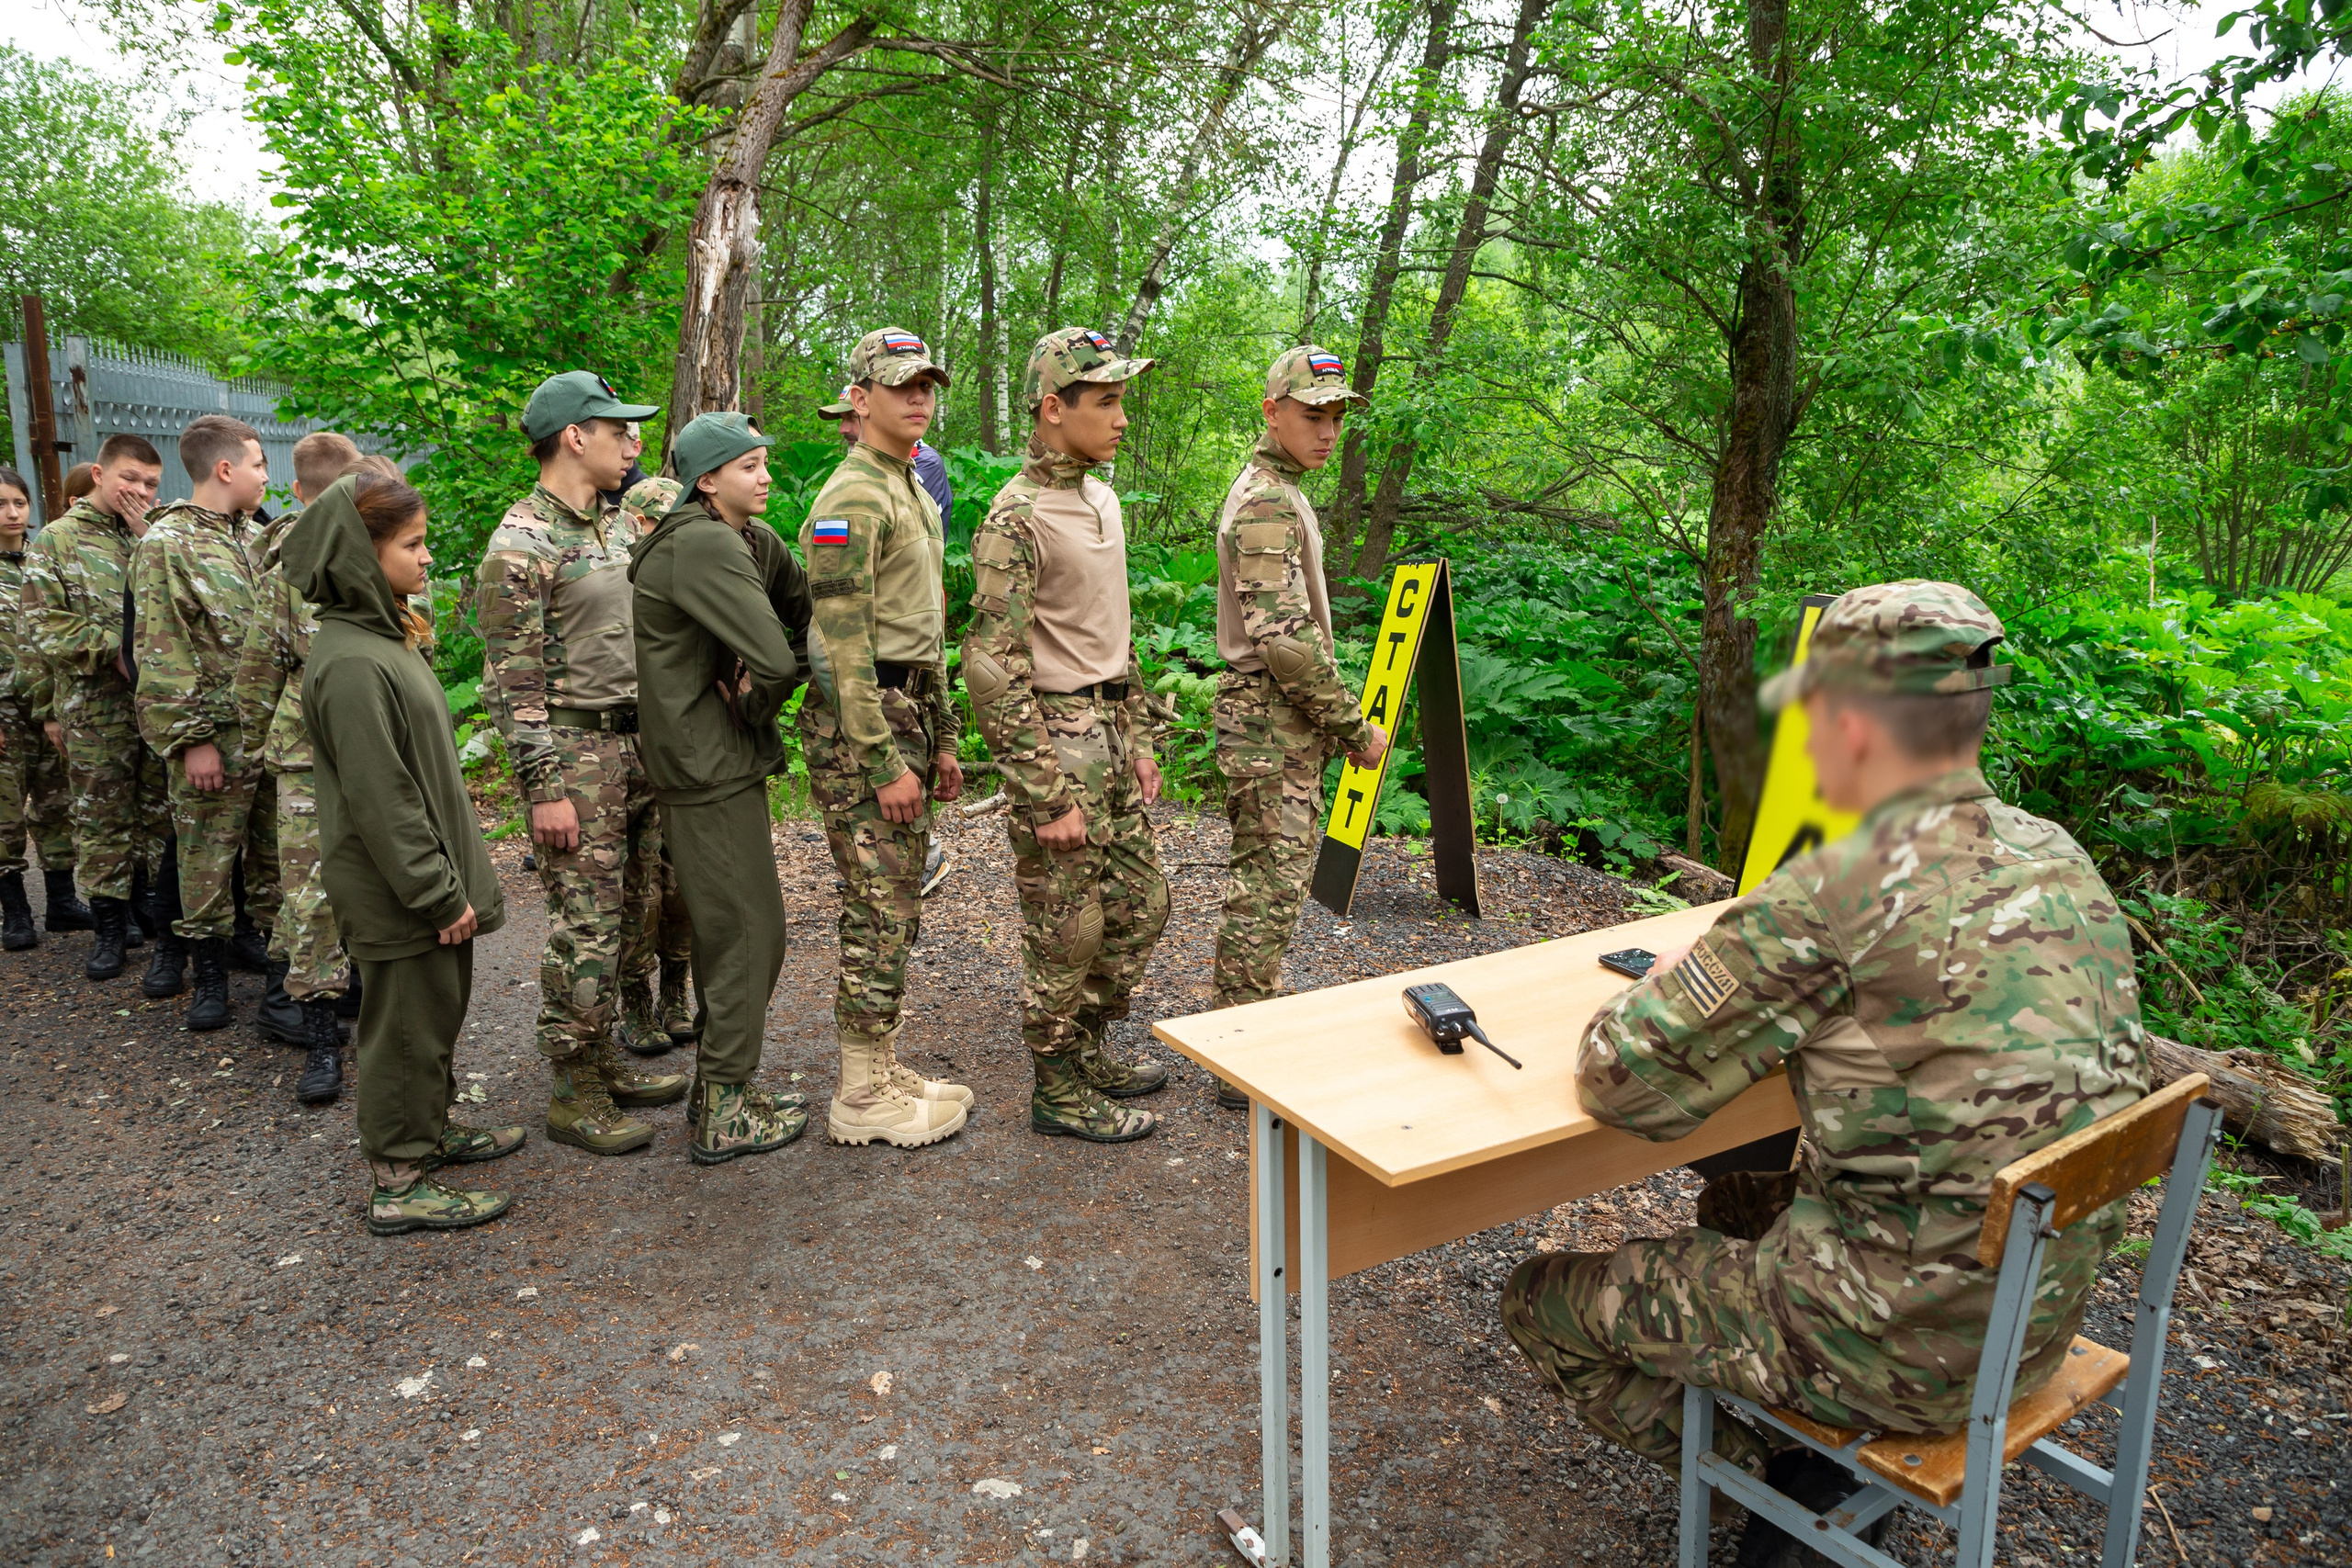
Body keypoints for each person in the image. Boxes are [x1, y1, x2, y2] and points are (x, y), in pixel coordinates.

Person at [1498, 581, 2151, 1563]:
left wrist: (1675, 984)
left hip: (1898, 1351)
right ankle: (1807, 1469)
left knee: (1538, 1296)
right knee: (1732, 1202)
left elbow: (1624, 1086)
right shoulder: (2058, 857)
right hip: (2033, 1318)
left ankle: (1764, 1494)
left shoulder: (1832, 892)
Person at [290, 467, 520, 1235]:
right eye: (412, 545)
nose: (426, 559)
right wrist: (433, 888)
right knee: (404, 1028)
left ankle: (431, 1131)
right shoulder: (353, 658)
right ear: (363, 552)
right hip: (399, 889)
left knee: (434, 1012)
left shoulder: (384, 636)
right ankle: (398, 1176)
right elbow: (381, 796)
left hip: (424, 878)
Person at [963, 328, 1169, 1143]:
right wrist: (1043, 790)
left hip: (1112, 731)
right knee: (1067, 923)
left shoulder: (1101, 497)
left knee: (1143, 902)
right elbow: (989, 667)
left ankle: (1084, 1046)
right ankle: (1055, 1083)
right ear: (1054, 409)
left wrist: (1143, 733)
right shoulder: (1014, 517)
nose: (1122, 419)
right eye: (1107, 401)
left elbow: (1113, 629)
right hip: (1058, 737)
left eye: (1123, 400)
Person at [477, 371, 690, 1157]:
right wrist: (544, 789)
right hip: (574, 755)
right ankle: (574, 1088)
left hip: (637, 748)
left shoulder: (616, 526)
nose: (633, 442)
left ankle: (605, 1060)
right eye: (619, 429)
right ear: (575, 436)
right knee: (586, 929)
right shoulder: (521, 542)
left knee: (636, 912)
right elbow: (513, 680)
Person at [799, 330, 971, 1149]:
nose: (918, 398)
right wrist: (879, 758)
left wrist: (941, 736)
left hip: (904, 710)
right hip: (861, 725)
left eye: (927, 385)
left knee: (897, 902)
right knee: (877, 904)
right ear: (859, 399)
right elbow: (841, 647)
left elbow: (922, 629)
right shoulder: (849, 499)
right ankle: (859, 1095)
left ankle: (882, 1062)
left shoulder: (908, 488)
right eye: (900, 386)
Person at [628, 412, 813, 1162]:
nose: (766, 477)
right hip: (703, 766)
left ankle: (721, 1086)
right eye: (748, 467)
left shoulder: (745, 538)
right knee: (745, 933)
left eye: (765, 463)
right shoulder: (700, 543)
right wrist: (753, 702)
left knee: (737, 930)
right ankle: (725, 1108)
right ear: (707, 481)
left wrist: (762, 683)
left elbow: (800, 614)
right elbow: (774, 659)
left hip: (721, 763)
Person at [1207, 346, 1388, 1105]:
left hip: (1275, 719)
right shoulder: (1267, 501)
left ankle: (1250, 1025)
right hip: (1268, 719)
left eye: (1337, 416)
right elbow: (1281, 635)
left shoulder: (1281, 489)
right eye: (1313, 414)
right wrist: (1353, 724)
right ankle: (1240, 1054)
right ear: (1271, 411)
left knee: (1273, 882)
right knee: (1267, 885)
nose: (1327, 430)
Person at [132, 415, 288, 1032]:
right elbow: (160, 647)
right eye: (259, 465)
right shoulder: (166, 544)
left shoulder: (257, 537)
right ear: (225, 469)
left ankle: (280, 978)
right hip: (212, 738)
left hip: (269, 733)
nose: (266, 478)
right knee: (205, 861)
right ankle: (211, 975)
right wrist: (191, 740)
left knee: (275, 859)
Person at [236, 431, 364, 1102]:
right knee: (313, 902)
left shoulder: (389, 559)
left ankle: (366, 1002)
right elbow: (257, 675)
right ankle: (319, 1040)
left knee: (380, 887)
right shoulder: (289, 572)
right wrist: (258, 761)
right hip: (306, 759)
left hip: (374, 758)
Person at [23, 433, 172, 980]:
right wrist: (114, 648)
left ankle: (158, 917)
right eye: (129, 478)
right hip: (96, 707)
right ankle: (109, 930)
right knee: (103, 817)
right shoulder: (56, 541)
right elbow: (42, 625)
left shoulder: (159, 537)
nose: (138, 490)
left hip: (157, 707)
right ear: (101, 476)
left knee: (159, 816)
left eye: (150, 484)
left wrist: (144, 532)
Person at [612, 471, 699, 1056]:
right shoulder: (618, 574)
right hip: (626, 748)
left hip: (679, 743)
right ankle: (636, 1001)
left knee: (683, 884)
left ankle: (675, 993)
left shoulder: (687, 573)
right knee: (635, 886)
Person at [0, 466, 87, 948]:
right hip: (5, 709)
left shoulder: (41, 560)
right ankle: (14, 911)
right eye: (1, 504)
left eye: (19, 502)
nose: (12, 513)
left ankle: (62, 903)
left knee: (58, 804)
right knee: (6, 811)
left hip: (48, 703)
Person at [824, 387, 953, 531]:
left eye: (851, 418)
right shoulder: (870, 464)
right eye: (842, 419)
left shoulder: (925, 461)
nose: (843, 429)